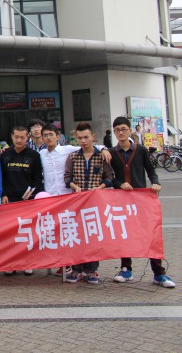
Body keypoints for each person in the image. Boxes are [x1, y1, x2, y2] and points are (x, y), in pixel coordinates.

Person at [109, 116, 175, 288]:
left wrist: (156, 183)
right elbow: (108, 177)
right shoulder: (111, 152)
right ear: (114, 132)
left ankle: (159, 273)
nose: (121, 132)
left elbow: (151, 171)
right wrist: (119, 184)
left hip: (141, 200)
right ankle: (126, 269)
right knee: (124, 233)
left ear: (130, 130)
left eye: (124, 129)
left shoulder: (140, 150)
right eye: (117, 130)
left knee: (150, 234)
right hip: (121, 200)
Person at [63, 122, 114, 285]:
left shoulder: (102, 156)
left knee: (93, 236)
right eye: (80, 138)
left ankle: (91, 270)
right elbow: (67, 177)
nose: (83, 141)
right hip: (77, 203)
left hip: (95, 203)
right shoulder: (72, 157)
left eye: (86, 137)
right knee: (77, 235)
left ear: (93, 137)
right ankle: (76, 269)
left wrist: (99, 188)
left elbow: (109, 177)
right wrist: (74, 186)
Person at [0, 125, 44, 205]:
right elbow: (1, 177)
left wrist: (32, 193)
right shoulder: (5, 154)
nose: (19, 140)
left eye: (22, 137)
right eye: (16, 137)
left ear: (27, 137)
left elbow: (38, 178)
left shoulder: (34, 155)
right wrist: (4, 194)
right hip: (9, 199)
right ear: (12, 136)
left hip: (29, 199)